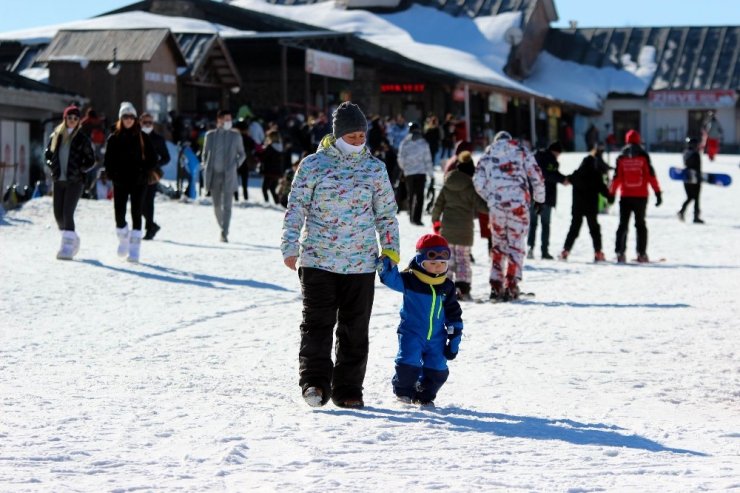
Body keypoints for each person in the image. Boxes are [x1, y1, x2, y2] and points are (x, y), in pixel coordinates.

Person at [281, 101, 400, 409]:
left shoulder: (375, 169)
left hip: (360, 262)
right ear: (337, 135)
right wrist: (290, 245)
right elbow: (296, 207)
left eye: (362, 135)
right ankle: (314, 384)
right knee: (317, 324)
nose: (359, 141)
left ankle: (348, 388)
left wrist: (390, 251)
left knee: (355, 328)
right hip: (318, 259)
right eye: (353, 136)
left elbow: (386, 214)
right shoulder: (313, 165)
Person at [378, 234, 463, 406]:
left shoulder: (447, 286)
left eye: (442, 263)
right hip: (412, 332)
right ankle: (404, 392)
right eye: (432, 263)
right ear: (421, 261)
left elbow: (453, 312)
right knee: (408, 363)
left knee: (438, 369)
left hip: (437, 337)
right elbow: (390, 278)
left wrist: (455, 336)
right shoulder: (411, 280)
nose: (438, 267)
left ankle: (424, 395)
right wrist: (387, 261)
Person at [473, 131, 545, 301]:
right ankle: (511, 284)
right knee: (516, 244)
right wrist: (539, 199)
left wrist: (491, 197)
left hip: (497, 207)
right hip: (518, 205)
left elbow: (478, 181)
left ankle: (496, 284)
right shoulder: (521, 150)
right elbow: (536, 175)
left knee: (498, 244)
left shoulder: (488, 153)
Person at [103, 102, 157, 262]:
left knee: (136, 213)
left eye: (131, 117)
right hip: (120, 182)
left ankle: (135, 249)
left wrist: (143, 171)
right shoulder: (113, 138)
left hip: (139, 182)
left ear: (135, 119)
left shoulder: (143, 137)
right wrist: (113, 174)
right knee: (119, 214)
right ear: (120, 118)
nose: (128, 120)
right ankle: (123, 239)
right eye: (125, 116)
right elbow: (108, 161)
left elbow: (153, 159)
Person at [431, 151, 488, 301]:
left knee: (448, 260)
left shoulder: (447, 184)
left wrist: (435, 221)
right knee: (463, 259)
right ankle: (462, 288)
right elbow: (481, 206)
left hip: (447, 229)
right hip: (465, 231)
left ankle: (446, 288)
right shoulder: (470, 187)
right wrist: (492, 206)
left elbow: (437, 205)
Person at [44, 104, 95, 260]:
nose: (72, 120)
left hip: (75, 181)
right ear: (64, 119)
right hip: (59, 179)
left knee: (67, 213)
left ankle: (67, 248)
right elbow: (48, 153)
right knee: (58, 215)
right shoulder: (56, 136)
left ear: (78, 120)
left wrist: (81, 169)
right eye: (69, 118)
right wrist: (51, 165)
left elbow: (91, 160)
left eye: (75, 118)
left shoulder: (82, 138)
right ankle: (72, 238)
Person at [608, 129, 662, 263]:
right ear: (638, 139)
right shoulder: (643, 155)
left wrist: (612, 193)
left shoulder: (621, 156)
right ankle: (642, 254)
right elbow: (651, 176)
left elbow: (617, 178)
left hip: (625, 196)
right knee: (640, 225)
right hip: (641, 196)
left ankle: (620, 253)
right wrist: (657, 193)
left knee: (623, 225)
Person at [559, 144, 612, 262]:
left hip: (577, 207)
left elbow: (568, 179)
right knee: (594, 230)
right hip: (591, 207)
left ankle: (565, 251)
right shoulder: (596, 175)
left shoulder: (576, 174)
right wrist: (610, 197)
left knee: (574, 229)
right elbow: (603, 189)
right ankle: (598, 252)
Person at [202, 109, 246, 242]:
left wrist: (235, 165)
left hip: (229, 175)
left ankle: (224, 232)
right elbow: (204, 155)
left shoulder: (236, 136)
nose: (229, 122)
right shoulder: (210, 135)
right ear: (219, 120)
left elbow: (242, 154)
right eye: (226, 119)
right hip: (214, 175)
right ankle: (222, 226)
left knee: (227, 206)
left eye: (230, 119)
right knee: (216, 206)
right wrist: (206, 165)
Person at [527, 141, 568, 260]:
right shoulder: (549, 159)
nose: (558, 156)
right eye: (558, 153)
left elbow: (550, 173)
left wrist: (562, 178)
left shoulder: (536, 157)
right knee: (545, 224)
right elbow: (548, 175)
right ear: (555, 151)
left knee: (533, 224)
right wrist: (562, 179)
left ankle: (531, 248)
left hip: (533, 195)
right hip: (545, 197)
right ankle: (544, 251)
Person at [140, 113, 170, 240]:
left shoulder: (158, 139)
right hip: (137, 174)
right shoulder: (135, 136)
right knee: (138, 204)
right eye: (145, 122)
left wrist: (156, 163)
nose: (147, 125)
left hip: (152, 174)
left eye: (150, 123)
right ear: (140, 123)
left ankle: (149, 229)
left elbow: (166, 157)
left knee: (149, 202)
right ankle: (152, 225)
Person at [398, 122, 434, 226]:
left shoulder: (404, 143)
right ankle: (417, 218)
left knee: (411, 194)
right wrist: (431, 174)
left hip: (409, 173)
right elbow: (428, 159)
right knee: (420, 196)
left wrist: (404, 168)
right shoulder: (423, 143)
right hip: (421, 172)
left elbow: (400, 158)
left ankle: (411, 216)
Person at [258, 129, 288, 204]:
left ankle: (267, 203)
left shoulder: (270, 147)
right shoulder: (281, 147)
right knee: (272, 188)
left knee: (264, 188)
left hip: (269, 171)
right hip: (277, 171)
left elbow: (263, 157)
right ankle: (277, 203)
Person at [678, 137, 703, 224]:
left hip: (686, 178)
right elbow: (697, 168)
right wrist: (700, 178)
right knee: (696, 198)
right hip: (695, 179)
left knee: (690, 197)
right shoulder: (695, 154)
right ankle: (695, 216)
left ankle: (682, 211)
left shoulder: (685, 153)